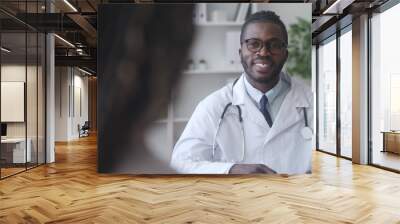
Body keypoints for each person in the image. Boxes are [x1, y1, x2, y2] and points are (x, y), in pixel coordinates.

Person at [170, 10, 313, 175]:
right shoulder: (214, 106)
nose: (263, 52)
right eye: (254, 44)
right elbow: (181, 163)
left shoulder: (311, 102)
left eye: (273, 45)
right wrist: (230, 169)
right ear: (240, 53)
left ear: (285, 54)